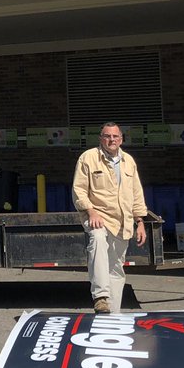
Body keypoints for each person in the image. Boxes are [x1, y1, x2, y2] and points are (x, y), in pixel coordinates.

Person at [72, 122, 147, 314]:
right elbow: (79, 190)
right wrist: (91, 211)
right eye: (107, 136)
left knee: (116, 268)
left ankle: (112, 315)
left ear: (121, 139)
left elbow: (136, 193)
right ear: (101, 139)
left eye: (115, 136)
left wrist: (140, 222)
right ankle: (100, 296)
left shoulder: (128, 161)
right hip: (98, 217)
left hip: (122, 222)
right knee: (97, 239)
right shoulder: (88, 158)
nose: (111, 140)